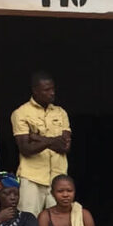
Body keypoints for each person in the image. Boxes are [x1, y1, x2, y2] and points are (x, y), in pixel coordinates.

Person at [11, 72, 71, 217]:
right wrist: (52, 140)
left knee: (58, 223)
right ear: (35, 91)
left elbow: (65, 147)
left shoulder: (61, 112)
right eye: (46, 90)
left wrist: (37, 138)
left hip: (58, 178)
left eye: (53, 89)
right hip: (31, 178)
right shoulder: (21, 113)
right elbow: (25, 149)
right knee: (29, 222)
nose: (52, 93)